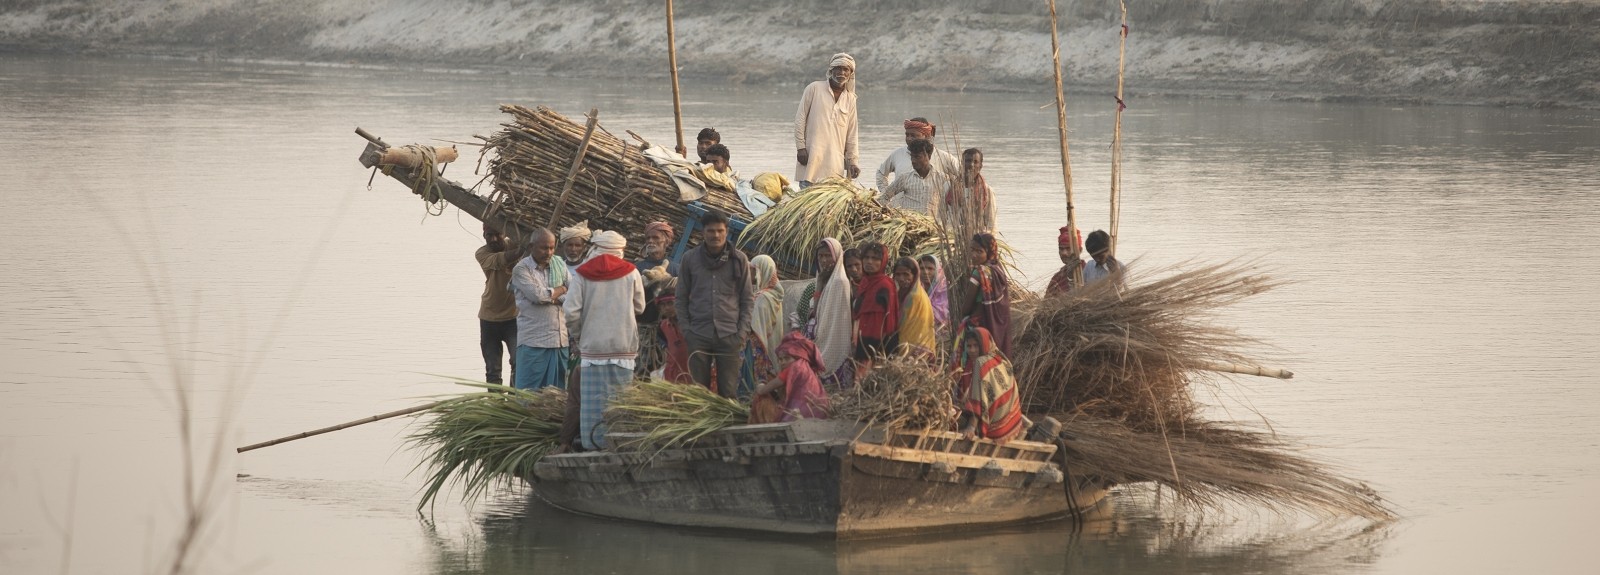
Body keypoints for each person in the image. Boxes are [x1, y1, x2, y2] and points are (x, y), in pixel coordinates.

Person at [564, 230, 646, 451]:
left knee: (593, 402)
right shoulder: (632, 273)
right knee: (619, 399)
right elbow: (640, 307)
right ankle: (620, 443)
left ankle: (594, 445)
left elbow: (570, 312)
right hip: (623, 347)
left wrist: (581, 335)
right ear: (619, 250)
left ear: (597, 248)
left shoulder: (582, 274)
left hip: (593, 349)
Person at [674, 209, 754, 399]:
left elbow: (747, 299)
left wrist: (741, 332)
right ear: (703, 232)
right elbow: (681, 298)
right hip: (698, 334)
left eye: (720, 230)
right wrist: (687, 330)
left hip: (729, 335)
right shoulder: (690, 259)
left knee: (728, 393)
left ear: (726, 231)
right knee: (699, 394)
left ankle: (728, 428)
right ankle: (703, 428)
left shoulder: (739, 259)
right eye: (711, 231)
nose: (715, 235)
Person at [790, 238, 855, 387]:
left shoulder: (840, 282)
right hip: (820, 337)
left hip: (832, 341)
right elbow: (815, 310)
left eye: (828, 256)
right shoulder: (824, 279)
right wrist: (819, 285)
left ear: (837, 257)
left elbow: (834, 321)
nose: (824, 260)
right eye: (820, 256)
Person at [509, 229, 570, 390]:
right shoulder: (522, 269)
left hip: (559, 341)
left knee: (557, 397)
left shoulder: (559, 264)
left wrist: (554, 296)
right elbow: (538, 296)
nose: (548, 252)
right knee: (528, 397)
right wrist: (562, 289)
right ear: (531, 247)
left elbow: (575, 295)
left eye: (551, 248)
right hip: (534, 343)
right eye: (544, 248)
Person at [794, 53, 860, 186]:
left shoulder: (850, 99)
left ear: (850, 73)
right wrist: (800, 147)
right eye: (838, 68)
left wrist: (853, 162)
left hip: (834, 166)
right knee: (807, 204)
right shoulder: (814, 88)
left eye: (846, 69)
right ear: (831, 71)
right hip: (811, 160)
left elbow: (852, 134)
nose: (841, 72)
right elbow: (800, 119)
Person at [957, 326, 1025, 444]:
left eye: (976, 346)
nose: (972, 350)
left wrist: (971, 427)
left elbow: (979, 401)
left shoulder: (981, 363)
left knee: (954, 422)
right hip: (1013, 423)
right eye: (969, 346)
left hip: (996, 429)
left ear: (984, 344)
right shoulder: (1001, 359)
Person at [476, 223, 525, 385]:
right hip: (489, 318)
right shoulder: (482, 253)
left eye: (497, 234)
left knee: (518, 363)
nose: (494, 239)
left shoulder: (514, 243)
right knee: (492, 370)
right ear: (484, 236)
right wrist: (522, 250)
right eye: (489, 235)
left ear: (505, 233)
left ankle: (514, 401)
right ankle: (496, 404)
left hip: (513, 317)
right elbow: (499, 261)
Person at [750, 333, 831, 424]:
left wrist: (760, 386)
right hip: (821, 412)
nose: (783, 362)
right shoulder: (806, 367)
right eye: (780, 359)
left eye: (787, 358)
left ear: (798, 357)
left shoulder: (793, 368)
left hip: (801, 416)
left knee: (762, 401)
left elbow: (765, 390)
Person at [958, 232, 1012, 359]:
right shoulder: (998, 268)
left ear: (989, 252)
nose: (974, 255)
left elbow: (965, 308)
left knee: (977, 359)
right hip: (1000, 325)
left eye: (979, 251)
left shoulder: (979, 273)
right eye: (972, 250)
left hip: (980, 324)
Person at [875, 118, 961, 191]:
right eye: (907, 135)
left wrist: (952, 194)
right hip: (900, 209)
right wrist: (885, 192)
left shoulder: (943, 157)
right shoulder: (898, 154)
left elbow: (963, 176)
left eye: (913, 135)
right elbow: (881, 173)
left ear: (926, 136)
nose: (909, 139)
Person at [852, 243, 898, 374]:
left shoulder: (885, 285)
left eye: (875, 258)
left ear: (883, 261)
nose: (869, 261)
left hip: (876, 345)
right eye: (866, 257)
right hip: (861, 339)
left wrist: (880, 349)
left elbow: (888, 320)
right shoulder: (865, 282)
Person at [743, 254, 786, 397]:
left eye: (754, 270)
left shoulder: (762, 297)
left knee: (749, 382)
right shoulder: (773, 296)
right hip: (765, 345)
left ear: (762, 271)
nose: (751, 273)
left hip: (755, 347)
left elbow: (754, 327)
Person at [878, 139, 950, 217]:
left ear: (928, 156)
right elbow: (884, 197)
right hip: (910, 226)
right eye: (912, 157)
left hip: (932, 226)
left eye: (917, 157)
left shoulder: (942, 179)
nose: (913, 161)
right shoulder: (904, 178)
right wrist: (888, 213)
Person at [943, 148, 996, 233]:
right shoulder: (948, 186)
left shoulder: (987, 191)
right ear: (962, 164)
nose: (971, 165)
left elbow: (992, 224)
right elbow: (941, 215)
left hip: (976, 239)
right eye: (967, 161)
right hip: (952, 236)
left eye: (975, 162)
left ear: (980, 166)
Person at [894, 257, 936, 359]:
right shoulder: (902, 293)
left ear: (915, 275)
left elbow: (906, 325)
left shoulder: (914, 296)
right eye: (898, 274)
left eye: (906, 274)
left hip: (915, 350)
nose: (901, 278)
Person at [656, 291, 691, 384]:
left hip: (694, 376)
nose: (666, 308)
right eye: (663, 305)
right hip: (672, 377)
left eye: (670, 303)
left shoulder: (693, 324)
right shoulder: (662, 327)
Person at [1046, 225, 1085, 296]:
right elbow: (1046, 303)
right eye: (1061, 249)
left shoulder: (1088, 271)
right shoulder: (1057, 278)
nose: (1064, 253)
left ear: (1080, 250)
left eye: (1068, 248)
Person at [919, 254, 951, 334]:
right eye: (922, 268)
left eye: (930, 268)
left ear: (937, 270)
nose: (926, 272)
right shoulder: (915, 289)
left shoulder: (945, 290)